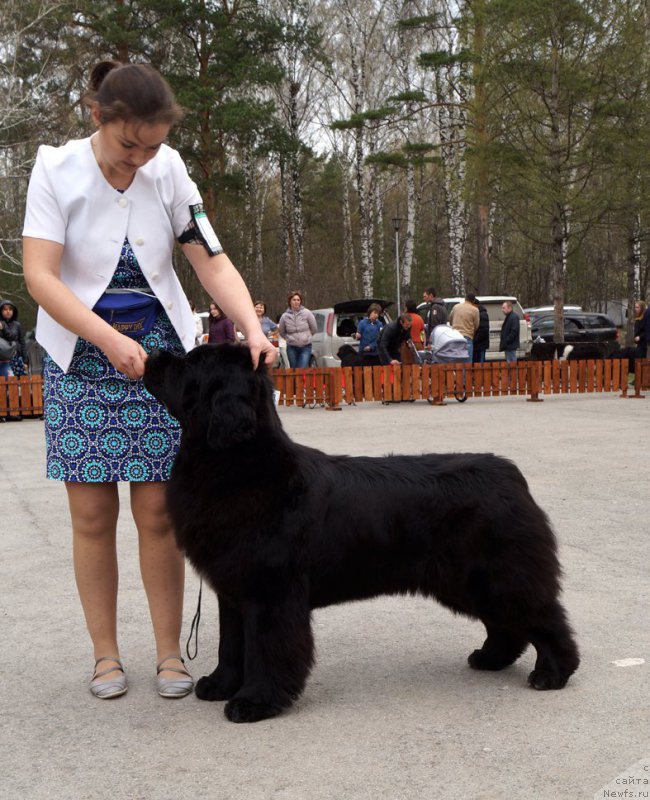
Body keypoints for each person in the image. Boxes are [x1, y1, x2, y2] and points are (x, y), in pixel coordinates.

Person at [22, 60, 275, 701]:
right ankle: (105, 656)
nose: (139, 158)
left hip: (161, 360)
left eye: (153, 145)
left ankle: (170, 654)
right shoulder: (54, 168)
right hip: (81, 355)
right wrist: (105, 339)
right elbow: (41, 277)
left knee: (160, 511)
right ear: (97, 116)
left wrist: (250, 325)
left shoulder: (168, 170)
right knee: (90, 513)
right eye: (128, 144)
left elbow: (210, 261)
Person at [278, 291, 317, 368]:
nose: (296, 302)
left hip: (305, 346)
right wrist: (288, 338)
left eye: (298, 300)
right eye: (294, 300)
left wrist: (307, 337)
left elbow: (314, 328)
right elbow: (281, 331)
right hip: (291, 347)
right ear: (290, 301)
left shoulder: (307, 313)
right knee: (294, 371)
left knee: (301, 369)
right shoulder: (284, 316)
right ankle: (294, 381)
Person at [0, 299, 28, 379]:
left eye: (10, 309)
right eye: (5, 309)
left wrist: (25, 360)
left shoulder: (17, 325)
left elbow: (20, 341)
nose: (8, 311)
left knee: (18, 381)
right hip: (2, 359)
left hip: (16, 358)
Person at [449, 293, 479, 362]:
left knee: (456, 361)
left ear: (465, 298)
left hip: (455, 336)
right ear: (473, 301)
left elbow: (450, 320)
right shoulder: (475, 310)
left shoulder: (456, 307)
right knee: (467, 363)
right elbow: (476, 325)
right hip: (467, 336)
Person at [472, 297, 490, 363]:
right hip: (478, 344)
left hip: (480, 345)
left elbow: (483, 331)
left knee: (480, 365)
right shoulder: (479, 313)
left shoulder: (482, 314)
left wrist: (474, 340)